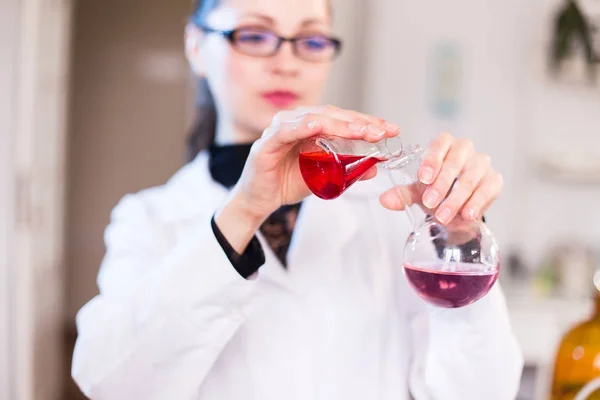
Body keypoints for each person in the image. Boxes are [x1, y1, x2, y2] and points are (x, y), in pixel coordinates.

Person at [71, 0, 524, 399]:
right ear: (196, 46)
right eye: (254, 35)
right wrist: (243, 212)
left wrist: (460, 238)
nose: (287, 62)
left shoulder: (389, 210)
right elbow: (114, 385)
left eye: (310, 40)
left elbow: (479, 391)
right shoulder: (149, 218)